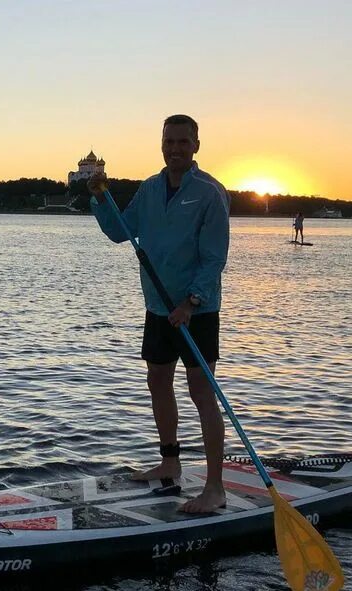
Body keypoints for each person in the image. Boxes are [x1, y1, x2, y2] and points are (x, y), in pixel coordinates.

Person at [87, 114, 230, 513]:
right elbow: (121, 230)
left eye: (183, 142)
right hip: (157, 306)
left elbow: (214, 257)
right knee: (157, 381)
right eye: (169, 142)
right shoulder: (149, 189)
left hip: (196, 310)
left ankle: (215, 488)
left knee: (202, 393)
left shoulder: (210, 193)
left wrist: (192, 302)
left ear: (196, 145)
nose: (175, 149)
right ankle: (170, 462)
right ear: (161, 144)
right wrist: (100, 198)